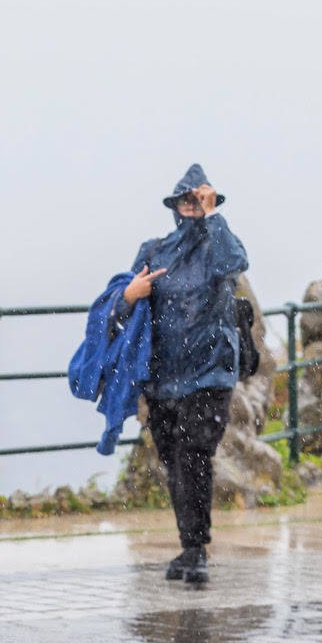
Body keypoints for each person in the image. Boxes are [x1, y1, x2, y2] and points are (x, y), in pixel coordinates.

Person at [115, 163, 249, 585]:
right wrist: (128, 296)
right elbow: (121, 312)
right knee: (173, 461)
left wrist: (214, 218)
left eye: (201, 200)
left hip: (210, 377)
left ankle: (195, 548)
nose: (192, 207)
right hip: (162, 379)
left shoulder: (218, 248)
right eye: (187, 200)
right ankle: (188, 545)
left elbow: (236, 263)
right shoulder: (154, 251)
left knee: (194, 457)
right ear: (174, 205)